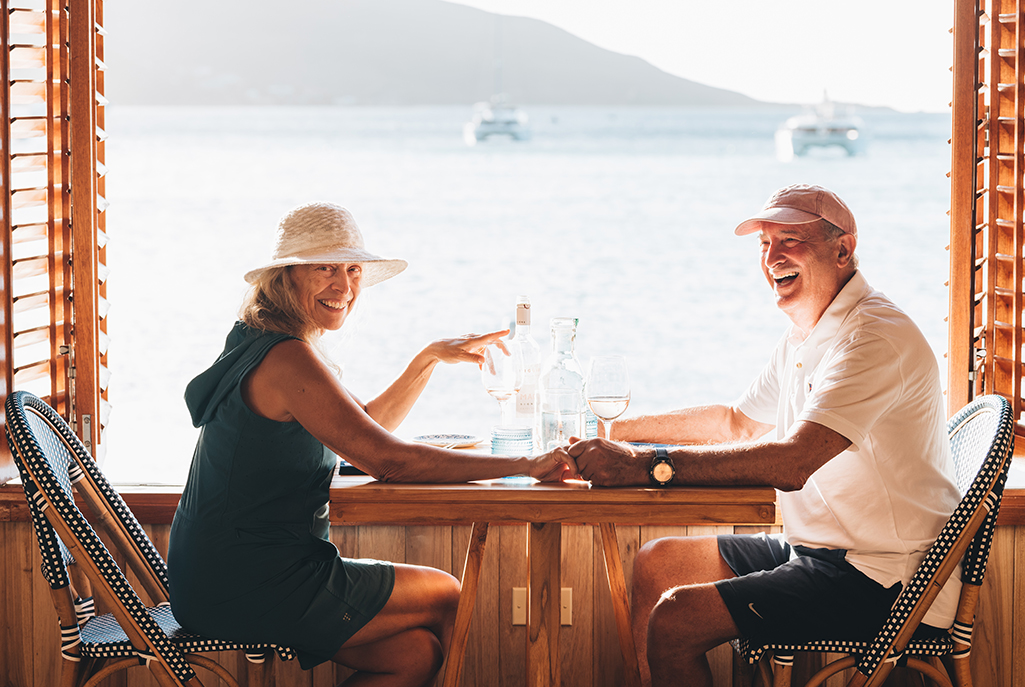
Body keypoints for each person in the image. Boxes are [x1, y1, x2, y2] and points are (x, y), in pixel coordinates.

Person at [567, 184, 962, 687]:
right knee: (658, 564)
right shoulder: (807, 331)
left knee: (676, 618)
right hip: (822, 550)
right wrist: (610, 432)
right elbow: (736, 423)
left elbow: (793, 463)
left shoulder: (873, 338)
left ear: (842, 249)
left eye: (790, 239)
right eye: (764, 243)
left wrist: (648, 465)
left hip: (887, 579)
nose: (772, 256)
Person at [167, 202, 572, 686]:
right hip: (251, 581)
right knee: (446, 593)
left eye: (352, 270)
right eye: (325, 269)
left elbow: (366, 425)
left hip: (218, 577)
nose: (343, 286)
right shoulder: (286, 357)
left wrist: (428, 359)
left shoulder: (262, 339)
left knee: (413, 655)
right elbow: (388, 460)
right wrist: (527, 463)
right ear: (286, 278)